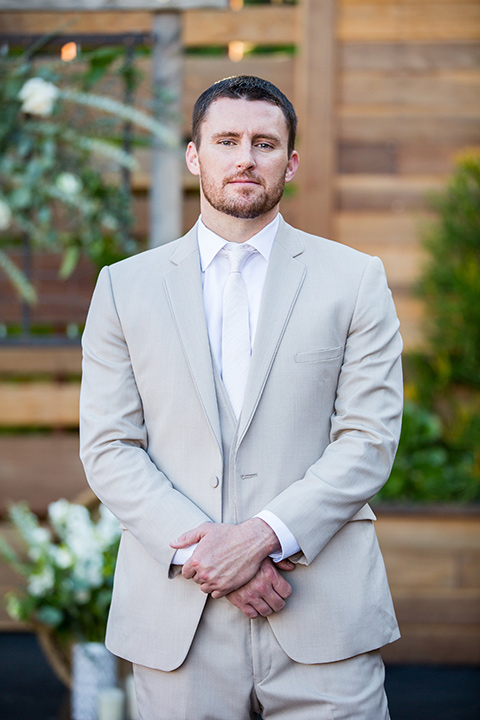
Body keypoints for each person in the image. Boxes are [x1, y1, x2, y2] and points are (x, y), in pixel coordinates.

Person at [79, 75, 403, 719]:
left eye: (264, 143)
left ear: (291, 161)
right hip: (179, 623)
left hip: (322, 611)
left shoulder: (355, 279)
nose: (245, 159)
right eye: (226, 141)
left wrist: (260, 538)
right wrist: (212, 557)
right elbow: (110, 447)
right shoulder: (123, 288)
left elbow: (368, 442)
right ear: (195, 155)